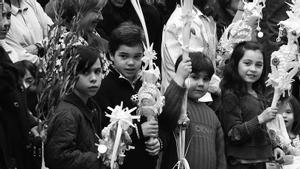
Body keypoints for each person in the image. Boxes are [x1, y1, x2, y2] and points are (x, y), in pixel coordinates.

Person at [94, 22, 161, 169]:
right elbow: (103, 133)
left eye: (137, 57)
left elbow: (160, 123)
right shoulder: (104, 88)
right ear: (111, 55)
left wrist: (158, 143)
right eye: (124, 56)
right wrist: (138, 131)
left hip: (147, 163)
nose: (131, 63)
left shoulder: (149, 83)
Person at [218, 41, 285, 169]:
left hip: (265, 161)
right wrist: (260, 119)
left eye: (258, 65)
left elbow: (265, 128)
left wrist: (275, 146)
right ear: (235, 64)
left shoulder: (259, 94)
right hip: (242, 164)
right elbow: (234, 134)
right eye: (247, 63)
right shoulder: (230, 95)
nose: (253, 69)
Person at [159, 52, 227, 169]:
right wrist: (179, 78)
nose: (201, 83)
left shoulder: (212, 116)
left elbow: (220, 156)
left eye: (206, 79)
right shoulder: (178, 106)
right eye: (194, 77)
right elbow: (166, 113)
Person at [44, 46, 106, 169]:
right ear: (70, 74)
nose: (94, 78)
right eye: (85, 72)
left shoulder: (92, 106)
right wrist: (100, 158)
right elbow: (57, 158)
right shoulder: (67, 114)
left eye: (97, 71)